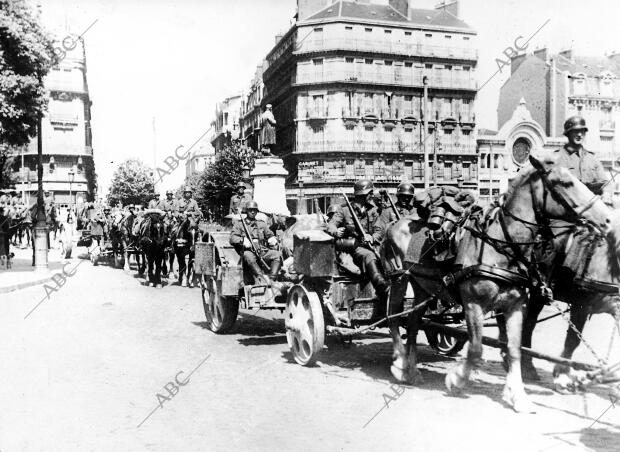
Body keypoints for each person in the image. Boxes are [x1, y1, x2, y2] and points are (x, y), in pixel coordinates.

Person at [326, 179, 388, 300]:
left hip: (369, 244)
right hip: (351, 248)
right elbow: (331, 225)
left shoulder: (372, 210)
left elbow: (379, 229)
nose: (372, 195)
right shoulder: (344, 210)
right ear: (363, 194)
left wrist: (372, 237)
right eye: (370, 193)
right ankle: (381, 286)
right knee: (369, 255)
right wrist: (336, 231)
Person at [229, 200, 281, 284]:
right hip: (249, 251)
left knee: (277, 254)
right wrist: (242, 240)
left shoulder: (261, 224)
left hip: (261, 251)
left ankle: (272, 279)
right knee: (248, 256)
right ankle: (261, 278)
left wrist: (272, 238)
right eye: (250, 210)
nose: (253, 212)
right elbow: (232, 238)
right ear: (246, 211)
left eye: (255, 210)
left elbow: (269, 234)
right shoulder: (240, 224)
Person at [555, 116, 608, 195]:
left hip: (592, 203)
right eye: (575, 131)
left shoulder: (592, 158)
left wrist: (607, 194)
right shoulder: (557, 158)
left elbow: (605, 183)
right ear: (568, 134)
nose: (579, 134)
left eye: (582, 131)